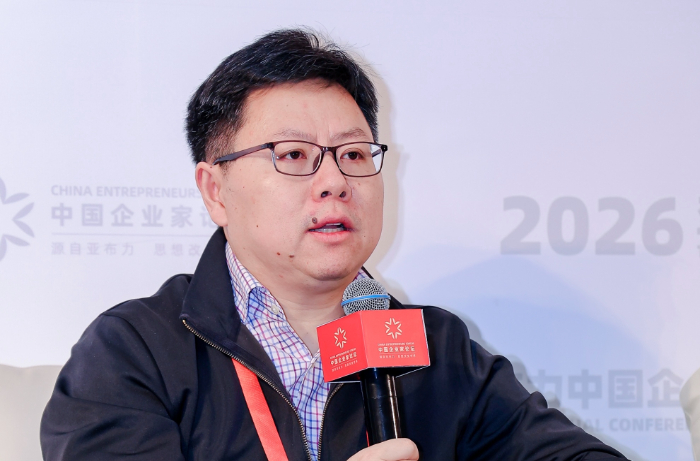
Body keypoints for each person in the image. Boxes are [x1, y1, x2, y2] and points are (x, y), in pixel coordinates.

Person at [40, 29, 628, 461]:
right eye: (293, 154)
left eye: (352, 154)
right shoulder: (133, 351)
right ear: (215, 190)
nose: (335, 181)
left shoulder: (436, 348)